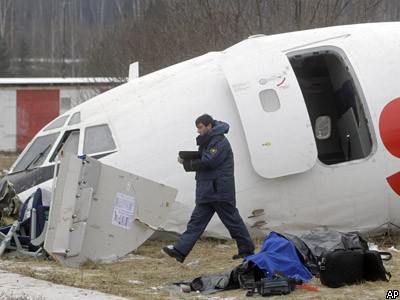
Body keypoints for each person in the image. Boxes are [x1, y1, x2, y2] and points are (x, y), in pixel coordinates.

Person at [162, 114, 255, 263]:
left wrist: (186, 163)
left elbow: (209, 161)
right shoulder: (209, 141)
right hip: (208, 191)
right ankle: (180, 251)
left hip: (219, 191)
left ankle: (247, 250)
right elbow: (205, 158)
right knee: (196, 223)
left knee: (232, 221)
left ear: (209, 126)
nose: (198, 131)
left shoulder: (219, 141)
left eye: (200, 127)